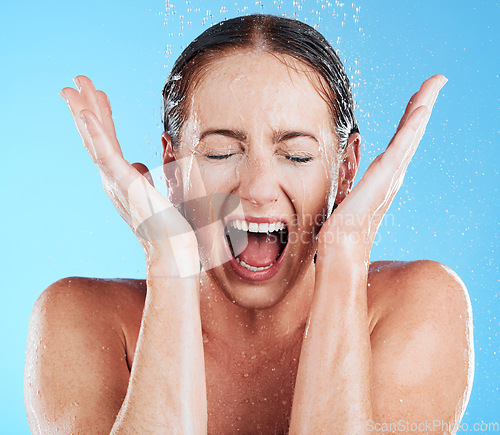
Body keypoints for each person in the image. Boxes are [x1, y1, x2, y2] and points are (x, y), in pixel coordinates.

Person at [24, 14, 473, 434]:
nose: (257, 188)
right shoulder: (80, 319)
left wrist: (346, 257)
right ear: (174, 168)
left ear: (345, 169)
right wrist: (170, 262)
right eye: (220, 153)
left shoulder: (421, 304)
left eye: (296, 154)